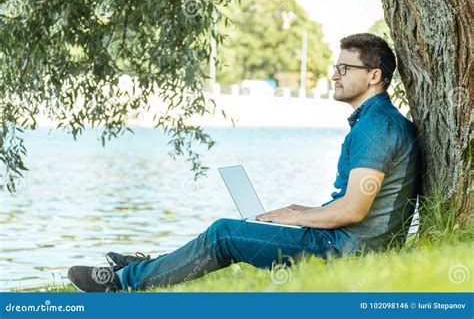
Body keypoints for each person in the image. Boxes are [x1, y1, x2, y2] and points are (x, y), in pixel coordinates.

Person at [68, 33, 421, 292]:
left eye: (345, 68)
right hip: (338, 241)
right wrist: (306, 211)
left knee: (224, 234)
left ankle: (123, 284)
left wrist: (296, 217)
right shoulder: (377, 122)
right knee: (234, 229)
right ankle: (146, 268)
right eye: (335, 67)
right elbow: (357, 207)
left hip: (344, 252)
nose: (334, 75)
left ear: (374, 75)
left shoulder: (377, 127)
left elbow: (354, 211)